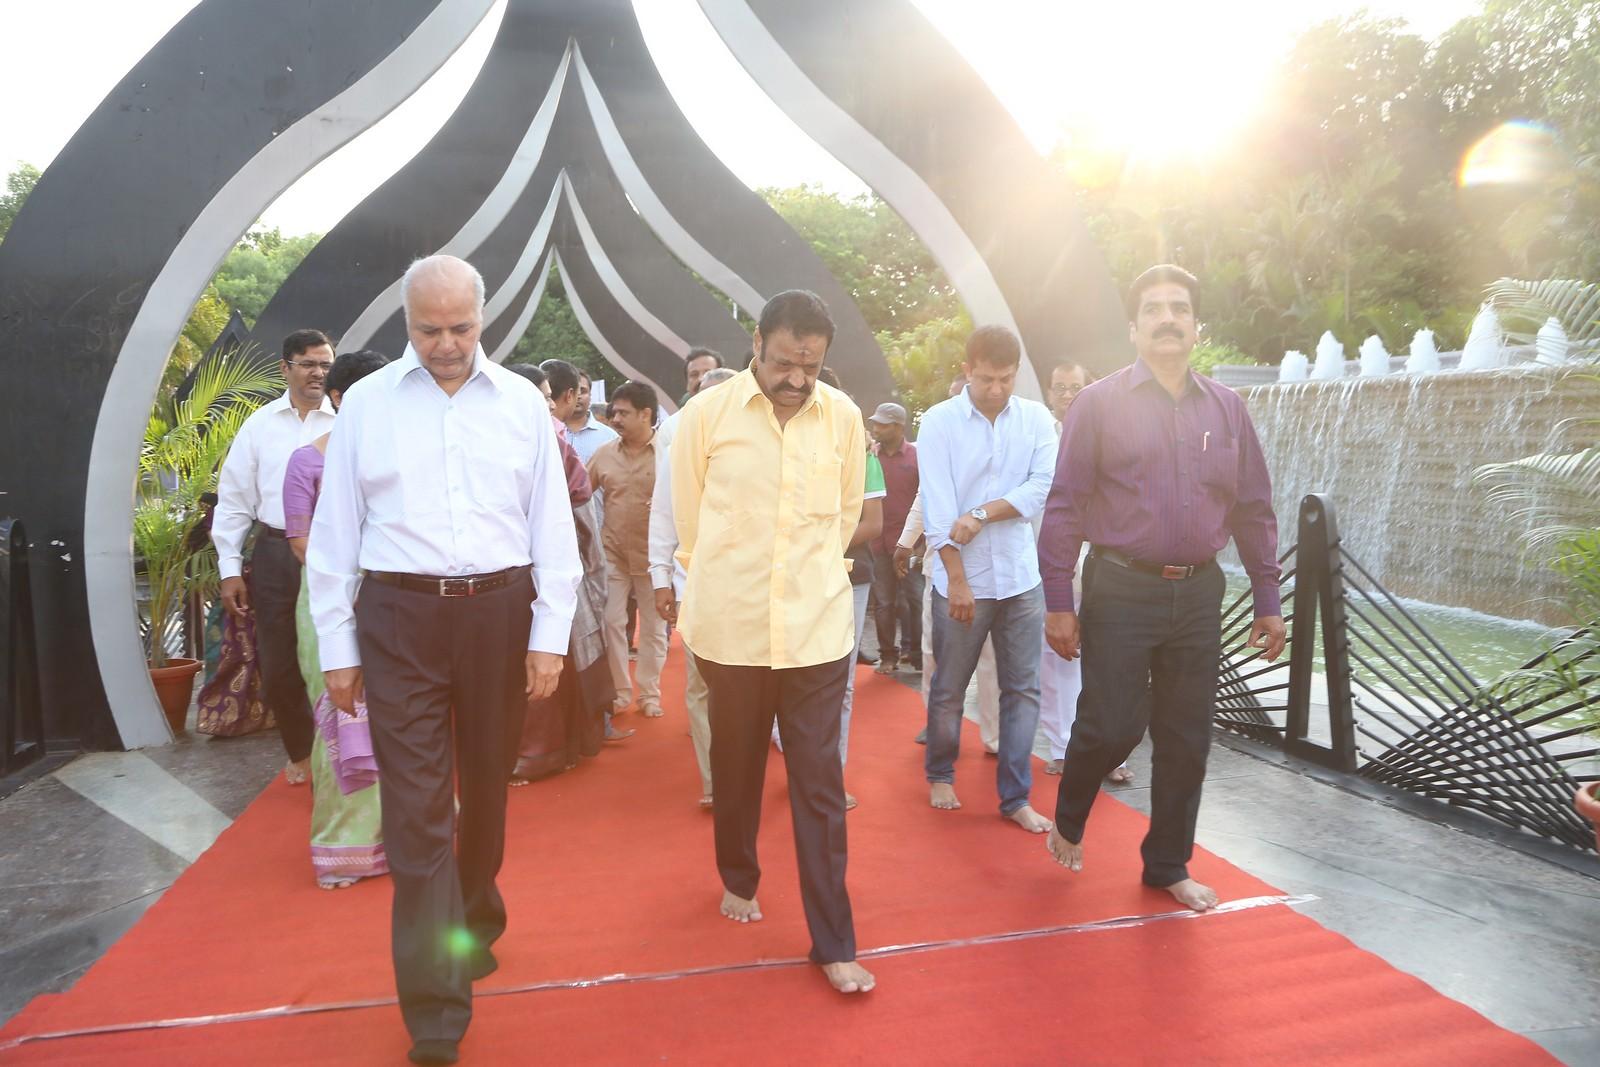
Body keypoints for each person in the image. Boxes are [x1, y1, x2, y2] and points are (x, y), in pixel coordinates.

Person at [308, 255, 582, 1065]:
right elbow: (335, 532)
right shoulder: (365, 404)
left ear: (483, 319)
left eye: (461, 327)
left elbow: (550, 525)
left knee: (487, 788)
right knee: (418, 810)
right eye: (429, 329)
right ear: (406, 323)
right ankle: (434, 1006)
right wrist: (338, 645)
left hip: (500, 613)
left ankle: (476, 906)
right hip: (397, 617)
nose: (447, 344)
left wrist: (548, 634)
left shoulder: (524, 409)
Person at [1040, 264, 1286, 912]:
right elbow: (1065, 504)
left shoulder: (1228, 409)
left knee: (1186, 734)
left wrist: (1268, 598)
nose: (1169, 317)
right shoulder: (1098, 404)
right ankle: (1071, 809)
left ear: (1196, 324)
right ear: (1135, 326)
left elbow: (1254, 507)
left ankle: (1167, 863)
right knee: (1111, 721)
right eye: (1155, 308)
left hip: (1200, 594)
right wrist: (1059, 601)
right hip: (1120, 586)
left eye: (1180, 306)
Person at [672, 289, 875, 995]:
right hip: (731, 631)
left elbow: (847, 513)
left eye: (810, 366)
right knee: (736, 765)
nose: (796, 378)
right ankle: (738, 871)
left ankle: (834, 940)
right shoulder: (705, 417)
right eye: (786, 361)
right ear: (757, 342)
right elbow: (689, 525)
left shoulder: (843, 418)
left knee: (819, 781)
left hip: (817, 629)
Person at [918, 325, 1057, 833]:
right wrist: (955, 578)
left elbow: (1040, 487)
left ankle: (1016, 796)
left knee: (1022, 690)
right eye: (984, 379)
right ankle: (940, 771)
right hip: (963, 578)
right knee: (950, 685)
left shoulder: (1037, 419)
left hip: (1021, 578)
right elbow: (937, 507)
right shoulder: (938, 422)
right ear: (966, 369)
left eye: (1004, 379)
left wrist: (981, 512)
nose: (995, 389)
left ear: (1016, 373)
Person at [282, 349, 391, 888]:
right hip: (331, 597)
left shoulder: (399, 454)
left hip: (397, 597)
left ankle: (410, 827)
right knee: (342, 711)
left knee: (405, 713)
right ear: (341, 399)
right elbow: (303, 544)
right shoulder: (308, 462)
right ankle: (348, 845)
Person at [212, 328, 338, 784]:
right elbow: (232, 502)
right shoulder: (260, 426)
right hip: (275, 554)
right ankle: (302, 752)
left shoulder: (346, 423)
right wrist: (230, 570)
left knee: (339, 652)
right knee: (280, 659)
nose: (318, 373)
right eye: (308, 364)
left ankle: (346, 752)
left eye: (325, 364)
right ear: (285, 368)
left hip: (338, 555)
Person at [504, 364, 613, 780]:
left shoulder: (554, 442)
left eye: (552, 395)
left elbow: (579, 511)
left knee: (552, 662)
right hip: (509, 578)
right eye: (543, 396)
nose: (551, 404)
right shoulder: (517, 439)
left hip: (552, 571)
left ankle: (547, 752)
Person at [1037, 363, 1132, 784]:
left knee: (1111, 657)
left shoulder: (1114, 435)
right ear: (1050, 392)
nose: (1068, 394)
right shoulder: (1039, 436)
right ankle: (1061, 747)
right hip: (1050, 562)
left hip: (1104, 560)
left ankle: (1112, 752)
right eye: (1060, 388)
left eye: (1077, 386)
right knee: (1056, 656)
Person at [650, 365, 737, 808]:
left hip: (750, 588)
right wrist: (660, 577)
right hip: (694, 586)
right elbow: (662, 513)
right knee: (702, 687)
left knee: (743, 689)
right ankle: (714, 784)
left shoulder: (760, 440)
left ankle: (739, 773)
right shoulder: (679, 439)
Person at [587, 381, 669, 720]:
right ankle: (621, 692)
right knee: (611, 622)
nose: (615, 418)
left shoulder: (670, 453)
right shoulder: (604, 454)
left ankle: (650, 693)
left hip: (656, 561)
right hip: (614, 555)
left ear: (646, 414)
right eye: (613, 412)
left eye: (623, 413)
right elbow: (576, 493)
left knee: (653, 630)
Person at [867, 402, 921, 674]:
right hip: (878, 543)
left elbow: (927, 499)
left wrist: (920, 543)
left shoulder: (916, 456)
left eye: (883, 424)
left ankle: (918, 654)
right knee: (884, 603)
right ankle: (888, 656)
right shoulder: (870, 457)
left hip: (910, 544)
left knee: (915, 599)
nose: (876, 429)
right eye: (875, 423)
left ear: (899, 427)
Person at [545, 361, 618, 464]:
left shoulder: (610, 437)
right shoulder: (547, 430)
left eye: (582, 391)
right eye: (575, 391)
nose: (578, 395)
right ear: (569, 393)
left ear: (590, 395)